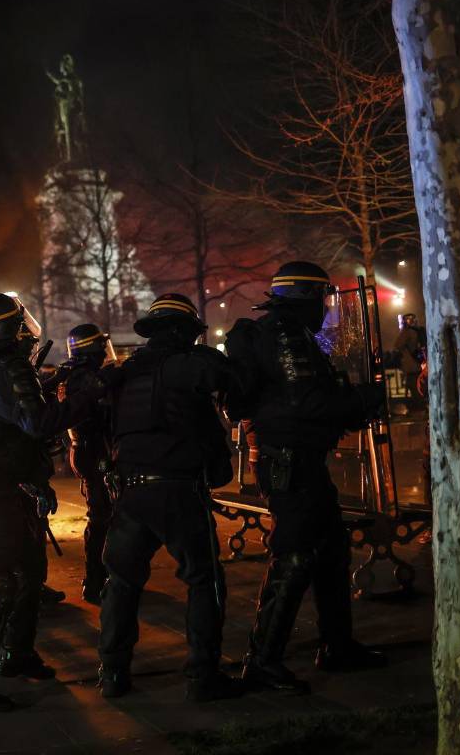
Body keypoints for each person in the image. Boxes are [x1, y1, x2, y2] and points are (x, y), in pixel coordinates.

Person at [225, 261, 386, 694]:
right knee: (293, 557)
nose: (326, 309)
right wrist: (365, 398)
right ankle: (262, 660)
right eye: (322, 299)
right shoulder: (285, 335)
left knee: (331, 550)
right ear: (308, 297)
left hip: (299, 460)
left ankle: (337, 646)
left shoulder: (281, 333)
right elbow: (309, 403)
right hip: (289, 462)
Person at [0, 292, 97, 711]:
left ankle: (17, 654)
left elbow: (6, 426)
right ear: (4, 330)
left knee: (29, 573)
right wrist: (87, 397)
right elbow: (36, 422)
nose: (25, 332)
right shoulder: (1, 366)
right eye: (18, 323)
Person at [96, 294, 243, 703]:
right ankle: (202, 676)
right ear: (181, 333)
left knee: (121, 585)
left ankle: (112, 674)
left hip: (131, 494)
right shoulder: (190, 366)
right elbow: (225, 380)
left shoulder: (126, 373)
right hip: (178, 492)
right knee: (203, 580)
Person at [45, 323, 117, 604]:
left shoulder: (70, 375)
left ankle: (101, 577)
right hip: (95, 451)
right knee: (102, 517)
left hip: (84, 450)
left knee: (102, 515)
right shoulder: (86, 379)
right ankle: (96, 581)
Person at [391, 313, 425, 410]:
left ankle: (417, 408)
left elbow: (397, 345)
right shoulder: (418, 332)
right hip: (419, 364)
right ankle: (421, 406)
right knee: (419, 386)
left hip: (411, 365)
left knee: (413, 387)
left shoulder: (407, 332)